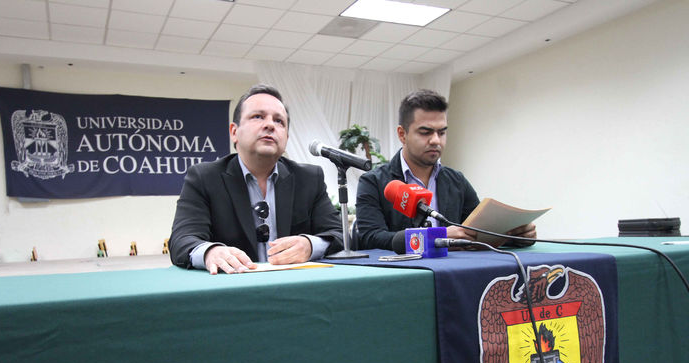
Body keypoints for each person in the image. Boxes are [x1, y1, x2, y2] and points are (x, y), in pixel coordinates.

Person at [169, 84, 343, 274]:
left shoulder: (309, 178)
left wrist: (310, 245)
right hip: (233, 286)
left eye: (279, 121)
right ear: (234, 132)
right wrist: (211, 252)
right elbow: (181, 240)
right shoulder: (204, 178)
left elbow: (340, 235)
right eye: (258, 117)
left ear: (286, 137)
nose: (270, 125)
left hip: (296, 285)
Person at [355, 89, 536, 251]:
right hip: (403, 273)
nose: (436, 140)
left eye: (441, 132)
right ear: (402, 134)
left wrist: (514, 236)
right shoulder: (374, 182)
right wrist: (435, 237)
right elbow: (371, 237)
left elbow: (479, 231)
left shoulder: (456, 180)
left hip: (455, 271)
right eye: (425, 132)